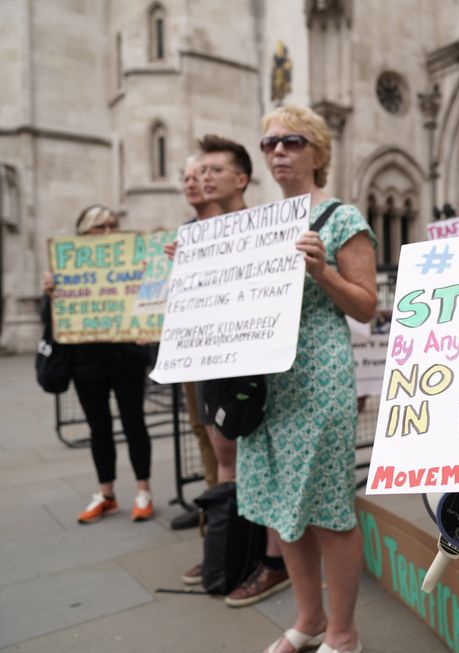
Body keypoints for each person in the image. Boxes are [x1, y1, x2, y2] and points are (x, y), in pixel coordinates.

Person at [239, 104, 377, 653]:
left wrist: (321, 272)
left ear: (318, 152)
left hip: (317, 374)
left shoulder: (341, 218)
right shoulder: (258, 222)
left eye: (292, 141)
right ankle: (309, 619)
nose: (278, 151)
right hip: (267, 378)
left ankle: (343, 633)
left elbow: (367, 306)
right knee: (281, 504)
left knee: (325, 505)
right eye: (269, 142)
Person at [170, 136, 289, 606]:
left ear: (240, 179)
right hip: (212, 360)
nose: (202, 178)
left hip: (258, 364)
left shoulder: (266, 225)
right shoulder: (192, 233)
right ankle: (226, 547)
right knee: (224, 455)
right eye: (199, 172)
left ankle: (272, 559)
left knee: (264, 459)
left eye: (212, 170)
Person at [42, 205, 155, 524]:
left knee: (135, 424)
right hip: (86, 363)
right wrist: (50, 295)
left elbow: (147, 306)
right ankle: (106, 493)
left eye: (112, 225)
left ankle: (143, 490)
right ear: (84, 234)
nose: (108, 232)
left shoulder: (132, 263)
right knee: (99, 429)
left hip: (126, 359)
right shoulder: (67, 270)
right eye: (99, 227)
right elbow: (48, 321)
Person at [170, 155, 221, 531]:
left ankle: (227, 516)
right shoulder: (185, 232)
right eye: (186, 178)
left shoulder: (237, 224)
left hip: (227, 350)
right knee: (200, 427)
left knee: (224, 435)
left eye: (199, 175)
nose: (192, 183)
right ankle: (211, 505)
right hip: (192, 348)